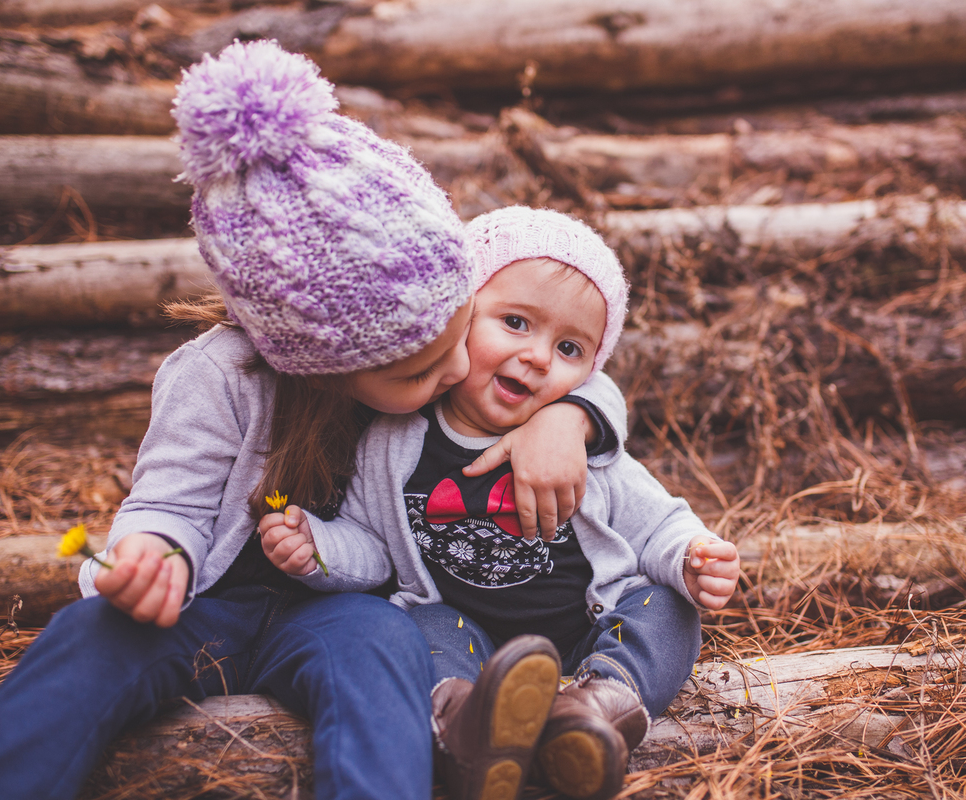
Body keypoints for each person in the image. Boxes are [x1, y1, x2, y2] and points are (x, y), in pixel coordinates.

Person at [0, 45, 627, 800]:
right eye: (421, 371)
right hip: (207, 610)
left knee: (384, 645)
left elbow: (557, 371)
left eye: (461, 336)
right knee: (86, 639)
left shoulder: (433, 356)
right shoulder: (217, 378)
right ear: (318, 361)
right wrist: (152, 557)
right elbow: (169, 502)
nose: (457, 371)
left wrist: (571, 417)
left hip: (347, 609)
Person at [260, 207, 742, 800]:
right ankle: (466, 720)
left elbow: (656, 520)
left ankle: (597, 704)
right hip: (468, 632)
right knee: (422, 626)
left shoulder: (582, 448)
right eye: (515, 322)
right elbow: (372, 544)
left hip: (589, 627)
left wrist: (692, 554)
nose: (538, 356)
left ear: (591, 370)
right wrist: (319, 548)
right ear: (459, 317)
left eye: (569, 348)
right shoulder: (394, 441)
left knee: (667, 609)